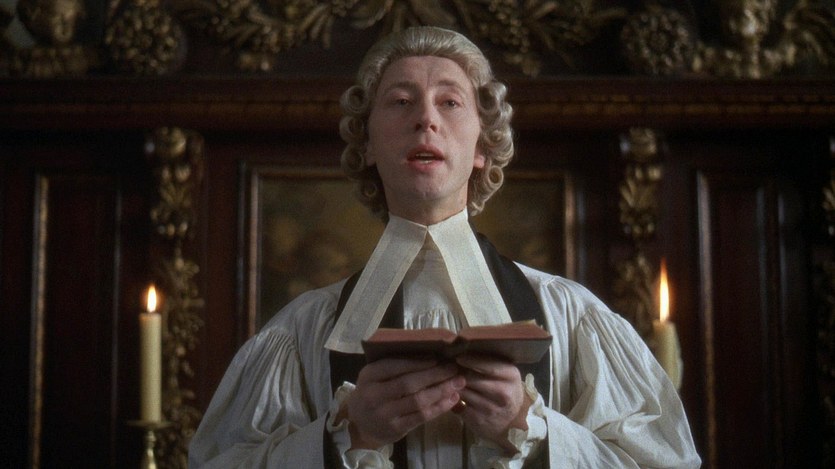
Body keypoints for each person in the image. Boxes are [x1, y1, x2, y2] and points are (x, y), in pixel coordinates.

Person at [189, 26, 701, 468]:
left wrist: (530, 428)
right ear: (367, 144)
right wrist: (350, 433)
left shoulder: (570, 314)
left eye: (450, 102)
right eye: (400, 101)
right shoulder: (304, 330)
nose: (426, 119)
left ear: (482, 146)